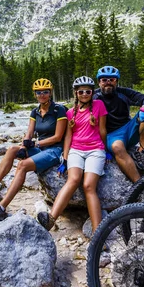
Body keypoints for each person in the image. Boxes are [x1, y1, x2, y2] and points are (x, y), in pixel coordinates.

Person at [0, 78, 67, 221]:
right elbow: (29, 133)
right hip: (40, 149)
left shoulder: (59, 110)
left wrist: (36, 144)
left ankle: (1, 208)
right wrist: (23, 146)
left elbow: (58, 137)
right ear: (35, 94)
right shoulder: (35, 111)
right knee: (11, 150)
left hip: (54, 150)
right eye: (39, 92)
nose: (42, 95)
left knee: (22, 165)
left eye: (45, 92)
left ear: (50, 93)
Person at [37, 76, 107, 234]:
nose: (84, 94)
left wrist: (106, 150)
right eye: (81, 91)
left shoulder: (99, 105)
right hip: (76, 149)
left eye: (88, 91)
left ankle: (98, 233)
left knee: (89, 186)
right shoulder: (70, 112)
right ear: (76, 93)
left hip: (95, 150)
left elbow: (102, 130)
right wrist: (66, 157)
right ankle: (51, 218)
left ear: (92, 92)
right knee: (73, 179)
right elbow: (68, 136)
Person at [93, 65, 144, 183]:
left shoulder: (123, 93)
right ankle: (139, 184)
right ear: (99, 82)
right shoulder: (94, 97)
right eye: (104, 80)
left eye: (112, 80)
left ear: (116, 81)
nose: (108, 83)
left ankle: (141, 152)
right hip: (110, 135)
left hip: (129, 129)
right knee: (118, 148)